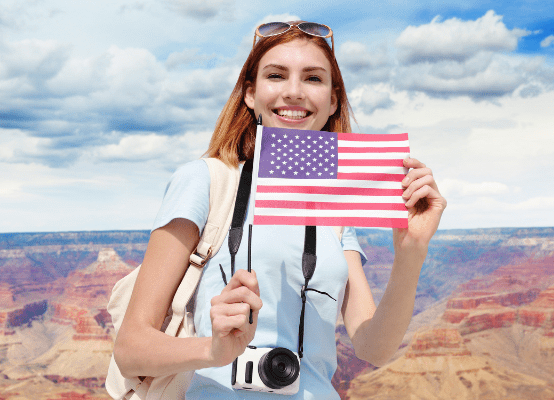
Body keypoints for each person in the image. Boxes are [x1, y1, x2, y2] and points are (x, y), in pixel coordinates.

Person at [113, 21, 446, 399]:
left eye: (313, 79)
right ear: (251, 94)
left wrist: (412, 252)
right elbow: (130, 350)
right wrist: (213, 350)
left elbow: (374, 347)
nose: (293, 92)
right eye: (276, 75)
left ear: (333, 100)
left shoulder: (338, 201)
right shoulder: (206, 181)